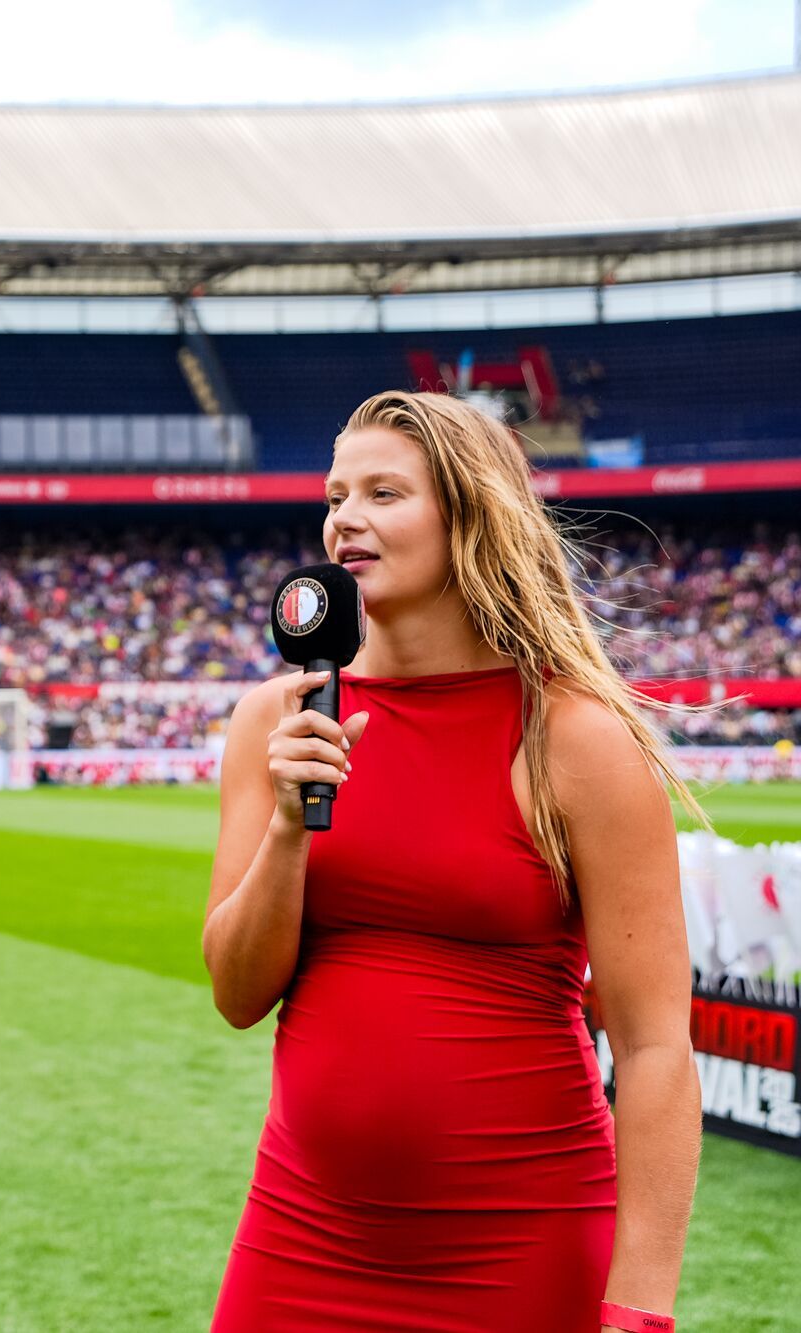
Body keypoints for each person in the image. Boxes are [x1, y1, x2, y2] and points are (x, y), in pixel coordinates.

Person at [204, 391, 700, 1331]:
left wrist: (641, 1310)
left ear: (470, 515)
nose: (345, 515)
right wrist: (285, 830)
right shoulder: (274, 719)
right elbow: (236, 992)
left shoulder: (577, 738)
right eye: (336, 492)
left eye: (385, 492)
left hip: (524, 1241)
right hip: (302, 1231)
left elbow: (654, 1046)